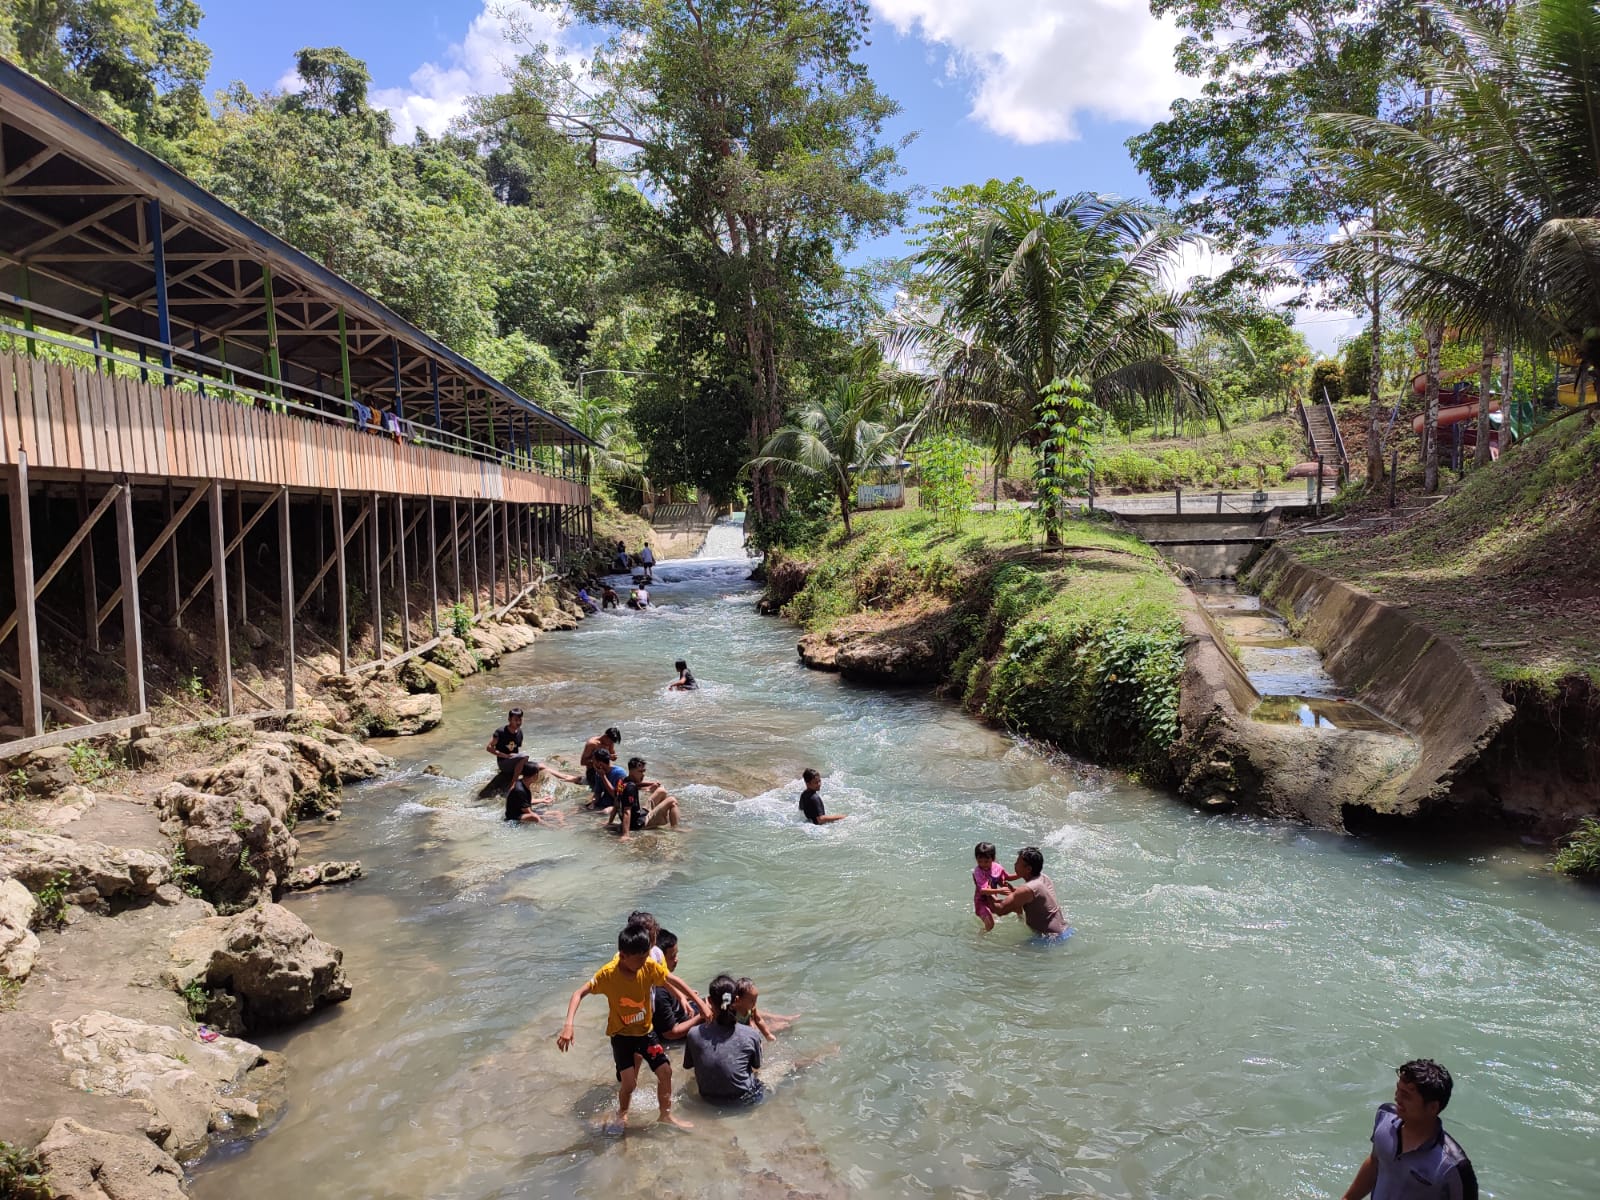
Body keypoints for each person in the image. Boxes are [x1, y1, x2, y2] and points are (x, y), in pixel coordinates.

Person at [556, 924, 702, 1131]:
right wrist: (568, 1025)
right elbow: (578, 994)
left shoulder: (648, 965)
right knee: (629, 1084)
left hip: (646, 1033)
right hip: (622, 1037)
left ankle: (666, 1116)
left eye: (646, 958)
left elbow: (672, 979)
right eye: (639, 960)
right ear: (623, 956)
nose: (644, 964)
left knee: (666, 1072)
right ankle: (622, 1113)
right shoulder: (608, 974)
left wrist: (701, 1005)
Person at [1341, 1060, 1477, 1200]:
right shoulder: (1385, 1118)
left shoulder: (1453, 1167)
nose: (1397, 1098)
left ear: (1432, 1108)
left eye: (1406, 1096)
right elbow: (1375, 1162)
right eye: (1398, 1090)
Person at [683, 973, 766, 1106]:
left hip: (708, 1099)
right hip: (745, 1101)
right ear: (736, 1000)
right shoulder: (751, 1034)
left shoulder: (693, 1034)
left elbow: (688, 1066)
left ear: (709, 1001)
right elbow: (756, 1066)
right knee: (775, 1071)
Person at [980, 846, 1067, 938]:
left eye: (1017, 862)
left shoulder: (1026, 890)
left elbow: (1000, 910)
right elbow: (1035, 897)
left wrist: (987, 891)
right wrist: (1014, 891)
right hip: (1064, 930)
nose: (1015, 864)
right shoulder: (1043, 878)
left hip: (1050, 938)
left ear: (1028, 869)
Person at [650, 929, 707, 1042]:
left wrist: (685, 997)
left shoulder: (665, 980)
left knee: (722, 998)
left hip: (686, 1014)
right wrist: (701, 1016)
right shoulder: (658, 994)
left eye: (676, 954)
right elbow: (670, 1034)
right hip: (681, 1029)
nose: (676, 960)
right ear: (659, 958)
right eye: (672, 957)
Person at [609, 756, 682, 840]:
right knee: (672, 800)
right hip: (639, 824)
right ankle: (675, 828)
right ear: (631, 771)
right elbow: (627, 811)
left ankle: (663, 816)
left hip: (639, 815)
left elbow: (616, 803)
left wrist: (609, 822)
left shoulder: (622, 781)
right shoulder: (630, 788)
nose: (643, 774)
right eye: (640, 771)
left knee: (661, 791)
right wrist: (625, 835)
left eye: (644, 771)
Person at [732, 977, 797, 1041]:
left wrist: (767, 1034)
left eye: (755, 999)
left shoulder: (752, 1007)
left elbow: (759, 1020)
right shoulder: (732, 1012)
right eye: (752, 1001)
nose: (755, 1003)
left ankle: (776, 1020)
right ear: (738, 1000)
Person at [971, 841, 1017, 932]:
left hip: (992, 900)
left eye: (986, 861)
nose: (983, 864)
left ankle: (1022, 921)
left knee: (1016, 906)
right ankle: (979, 938)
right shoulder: (978, 871)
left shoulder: (997, 867)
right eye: (979, 861)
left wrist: (1021, 874)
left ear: (993, 858)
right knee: (990, 925)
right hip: (981, 902)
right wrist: (1000, 891)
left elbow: (1006, 878)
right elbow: (983, 890)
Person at [486, 708, 528, 784]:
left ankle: (557, 775)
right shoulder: (500, 732)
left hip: (514, 761)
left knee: (536, 767)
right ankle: (514, 782)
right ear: (509, 719)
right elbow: (489, 748)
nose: (518, 722)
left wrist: (516, 757)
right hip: (504, 763)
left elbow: (516, 749)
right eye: (516, 720)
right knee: (525, 756)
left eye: (520, 720)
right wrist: (504, 755)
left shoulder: (520, 732)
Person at [581, 727, 621, 797]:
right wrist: (598, 760)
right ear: (605, 736)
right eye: (611, 742)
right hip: (593, 771)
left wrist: (613, 757)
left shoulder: (610, 743)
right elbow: (583, 762)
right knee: (606, 789)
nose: (611, 744)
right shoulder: (592, 744)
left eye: (613, 743)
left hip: (606, 769)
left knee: (620, 777)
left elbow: (612, 756)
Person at [588, 748, 627, 814]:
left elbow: (617, 796)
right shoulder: (598, 773)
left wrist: (603, 776)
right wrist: (593, 803)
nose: (592, 763)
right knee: (582, 808)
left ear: (600, 763)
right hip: (604, 802)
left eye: (594, 761)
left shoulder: (620, 773)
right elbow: (597, 793)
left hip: (617, 804)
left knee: (604, 812)